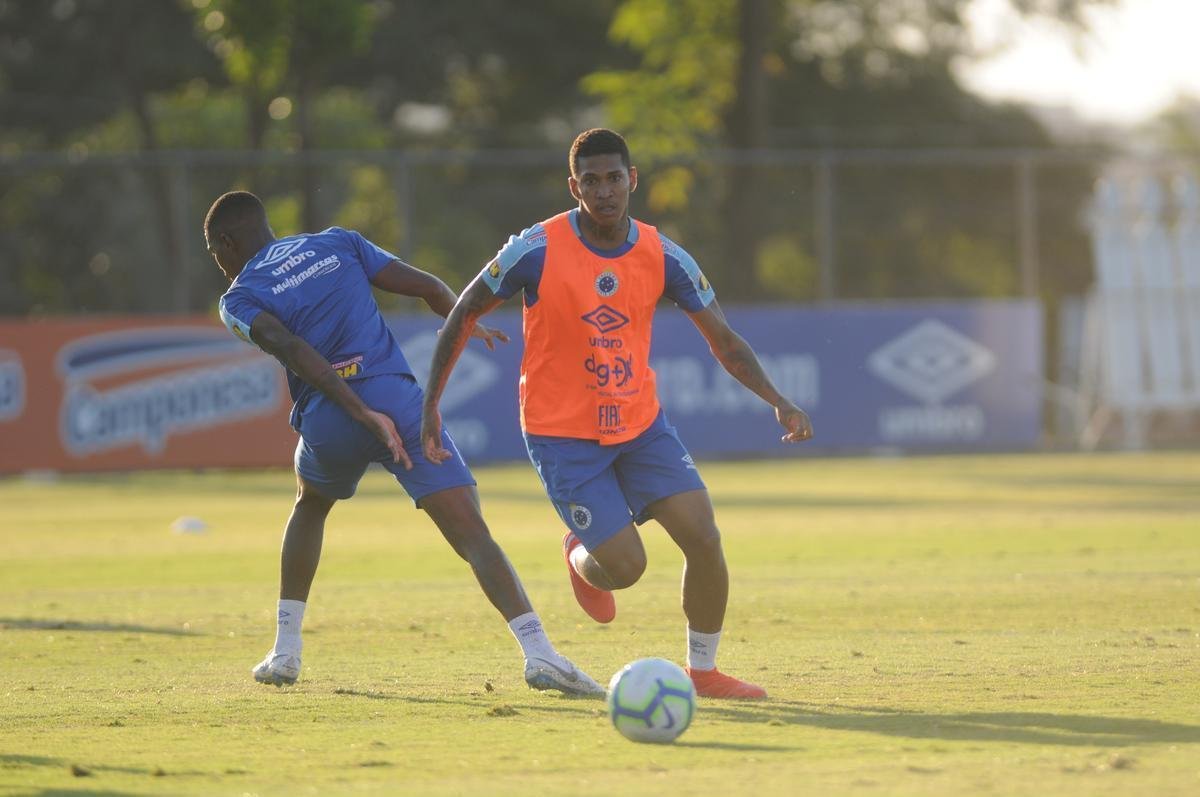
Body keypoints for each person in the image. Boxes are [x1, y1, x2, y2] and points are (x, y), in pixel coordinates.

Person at [420, 129, 814, 700]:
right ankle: (579, 551)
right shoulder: (535, 249)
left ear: (632, 180)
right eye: (591, 181)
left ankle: (703, 673)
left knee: (704, 537)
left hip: (639, 424)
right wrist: (431, 406)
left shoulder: (663, 254)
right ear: (574, 187)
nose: (604, 191)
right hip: (560, 433)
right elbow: (462, 314)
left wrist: (778, 399)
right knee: (627, 568)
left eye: (613, 178)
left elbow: (725, 341)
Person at [205, 190, 603, 697]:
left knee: (311, 504)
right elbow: (429, 287)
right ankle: (539, 653)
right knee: (473, 534)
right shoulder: (338, 243)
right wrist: (467, 323)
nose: (218, 263)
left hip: (330, 419)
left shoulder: (238, 299)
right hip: (398, 405)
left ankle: (285, 650)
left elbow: (290, 346)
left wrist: (358, 413)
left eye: (214, 253)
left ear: (226, 243)